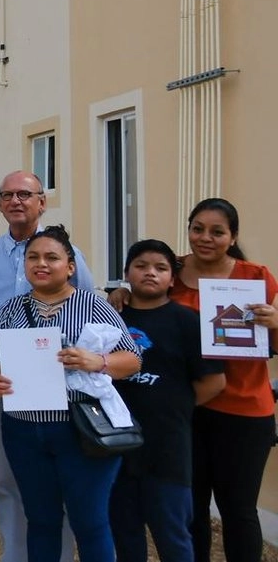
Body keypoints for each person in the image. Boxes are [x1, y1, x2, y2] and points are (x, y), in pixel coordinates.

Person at [0, 225, 141, 562]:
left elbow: (132, 359)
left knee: (90, 522)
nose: (41, 264)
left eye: (51, 258)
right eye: (33, 257)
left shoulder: (93, 305)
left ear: (69, 267)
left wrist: (98, 361)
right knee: (41, 520)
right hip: (24, 430)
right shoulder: (10, 309)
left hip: (80, 428)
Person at [0, 170, 94, 562]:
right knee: (6, 477)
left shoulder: (68, 255)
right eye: (7, 194)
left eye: (25, 194)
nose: (16, 201)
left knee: (58, 477)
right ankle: (16, 555)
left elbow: (90, 309)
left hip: (59, 383)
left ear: (42, 202)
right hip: (1, 383)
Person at [165, 199, 278, 562]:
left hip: (244, 411)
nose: (205, 238)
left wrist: (274, 323)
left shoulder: (255, 277)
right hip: (188, 409)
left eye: (217, 232)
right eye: (197, 228)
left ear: (233, 237)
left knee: (239, 511)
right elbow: (144, 309)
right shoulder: (169, 271)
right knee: (190, 509)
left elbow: (274, 341)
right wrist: (122, 294)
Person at [109, 239, 225, 562]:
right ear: (126, 273)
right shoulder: (111, 318)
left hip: (167, 450)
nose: (150, 273)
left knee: (173, 537)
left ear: (172, 279)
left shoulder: (187, 321)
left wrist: (175, 405)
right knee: (124, 536)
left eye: (160, 268)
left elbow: (214, 382)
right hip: (114, 446)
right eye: (141, 266)